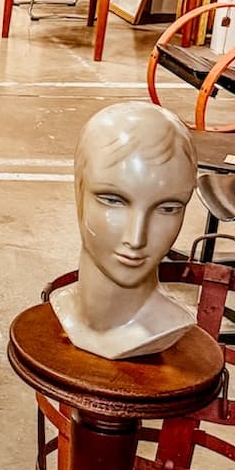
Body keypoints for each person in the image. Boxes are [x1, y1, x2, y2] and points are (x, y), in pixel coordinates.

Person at [50, 103, 197, 360]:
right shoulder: (62, 304)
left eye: (168, 208)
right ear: (78, 191)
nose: (136, 237)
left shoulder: (164, 327)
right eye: (113, 200)